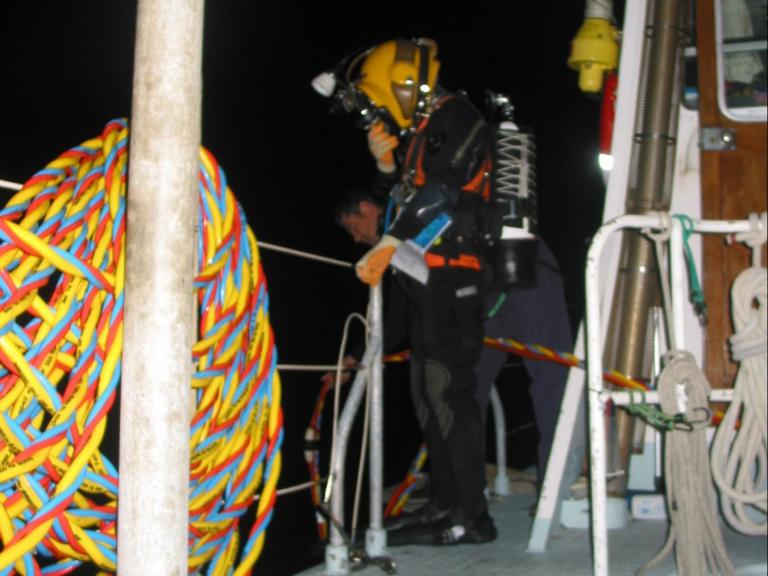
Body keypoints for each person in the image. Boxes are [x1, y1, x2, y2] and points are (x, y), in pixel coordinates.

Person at [319, 38, 496, 547]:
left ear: (401, 85)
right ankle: (445, 504)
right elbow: (403, 198)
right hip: (429, 282)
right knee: (427, 394)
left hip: (455, 278)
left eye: (377, 99)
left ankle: (472, 517)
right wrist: (384, 168)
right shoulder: (423, 131)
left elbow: (440, 194)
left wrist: (390, 242)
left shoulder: (456, 116)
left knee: (447, 393)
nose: (378, 112)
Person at [335, 188, 573, 515]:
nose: (354, 238)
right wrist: (356, 357)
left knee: (552, 378)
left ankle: (555, 487)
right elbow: (398, 322)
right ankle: (467, 497)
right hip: (481, 291)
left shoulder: (410, 215)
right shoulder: (397, 244)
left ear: (365, 207)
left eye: (352, 227)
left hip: (521, 261)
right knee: (464, 389)